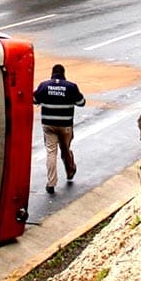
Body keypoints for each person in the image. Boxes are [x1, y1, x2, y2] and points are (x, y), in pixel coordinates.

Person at [33, 64, 86, 194]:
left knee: (51, 152)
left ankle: (51, 183)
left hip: (48, 125)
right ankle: (70, 171)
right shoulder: (71, 87)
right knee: (65, 149)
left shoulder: (44, 86)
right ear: (63, 73)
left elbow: (34, 99)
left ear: (52, 73)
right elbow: (82, 102)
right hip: (65, 125)